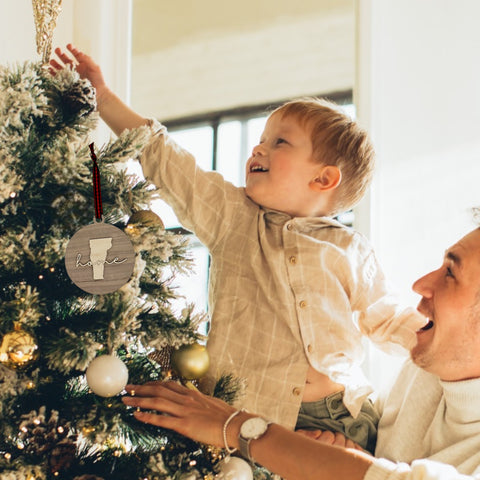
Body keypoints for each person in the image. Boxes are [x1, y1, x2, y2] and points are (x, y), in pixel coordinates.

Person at [50, 45, 426, 453]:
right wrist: (103, 96)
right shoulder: (234, 218)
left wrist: (443, 341)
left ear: (323, 179)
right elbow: (168, 160)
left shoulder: (349, 248)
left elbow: (387, 319)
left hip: (338, 416)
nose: (257, 149)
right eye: (261, 139)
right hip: (245, 412)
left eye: (279, 142)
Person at [122, 225, 480, 479]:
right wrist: (350, 454)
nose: (421, 285)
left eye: (450, 273)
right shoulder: (427, 368)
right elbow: (381, 463)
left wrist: (234, 426)